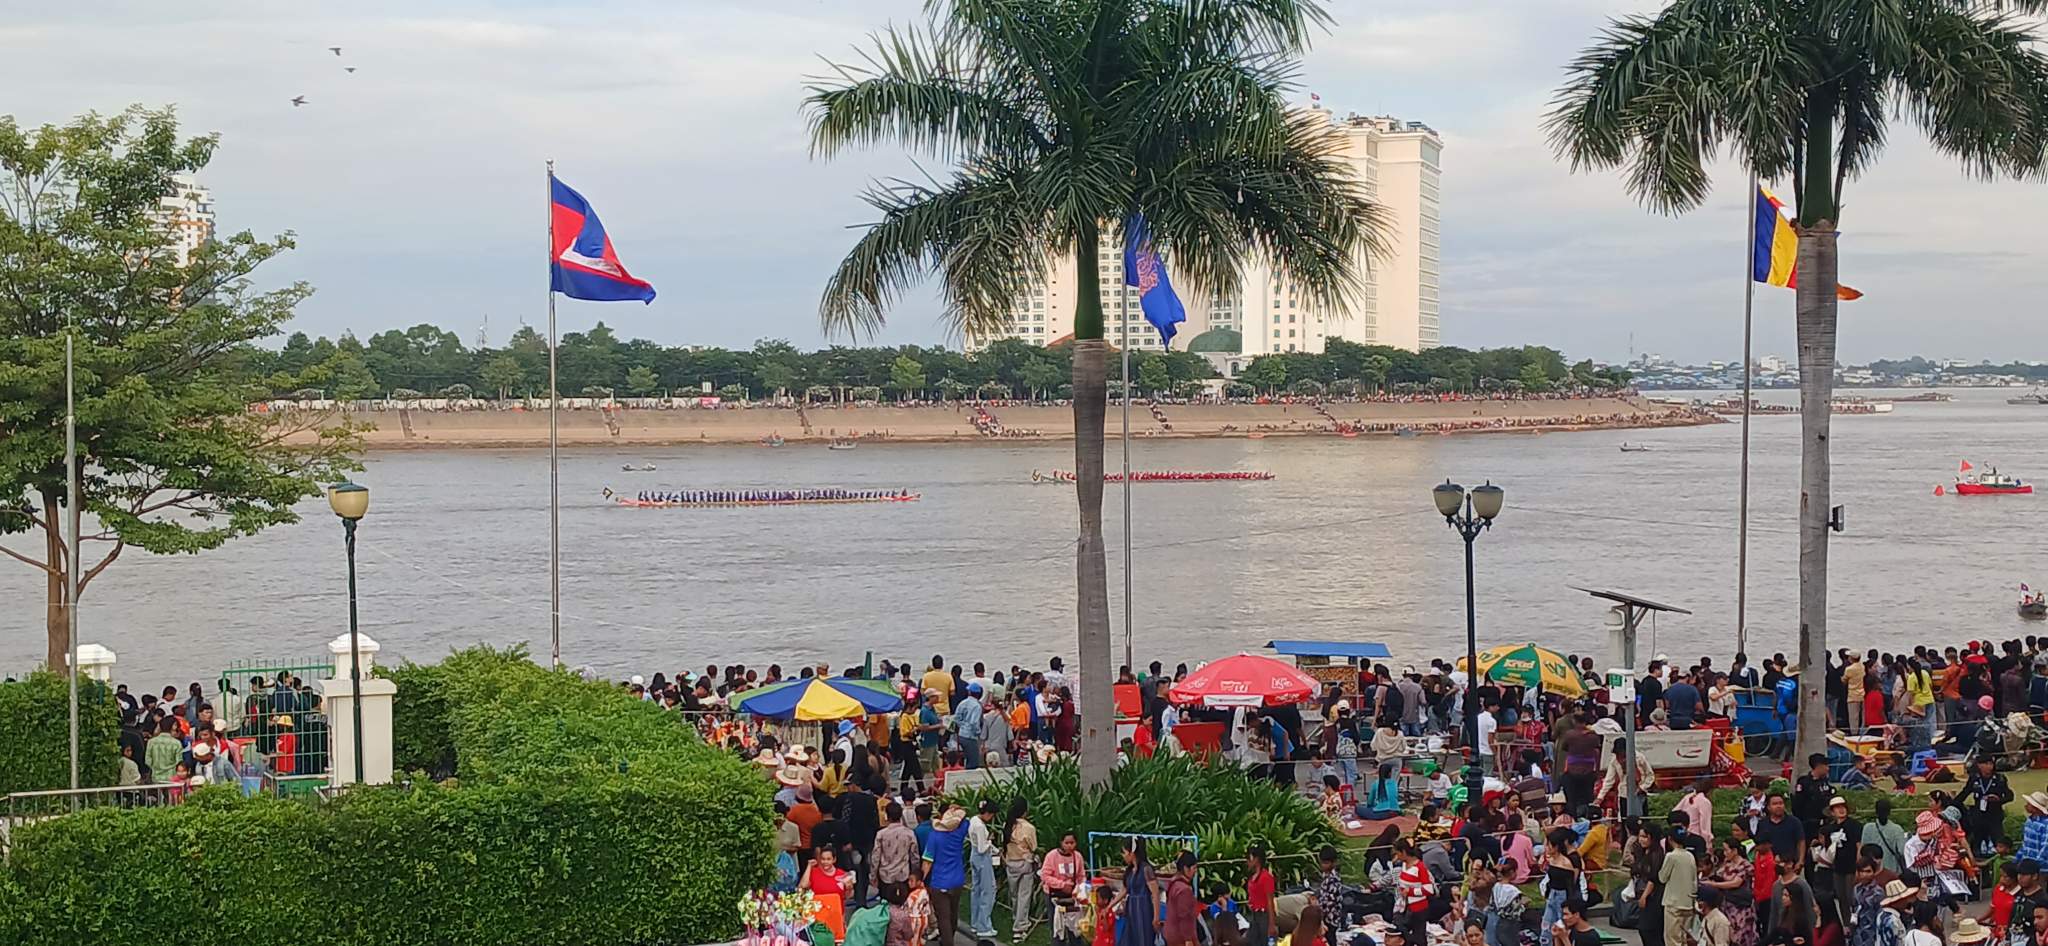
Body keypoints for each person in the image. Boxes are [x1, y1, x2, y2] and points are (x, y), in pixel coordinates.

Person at [923, 805, 971, 946]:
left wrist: (921, 880)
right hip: (957, 880)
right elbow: (966, 819)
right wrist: (957, 811)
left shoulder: (934, 835)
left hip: (939, 882)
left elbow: (928, 861)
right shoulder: (959, 832)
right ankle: (950, 937)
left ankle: (947, 942)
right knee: (953, 913)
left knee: (943, 918)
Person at [1703, 835, 1758, 946]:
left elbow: (1735, 883)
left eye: (1726, 850)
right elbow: (1717, 875)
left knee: (1741, 936)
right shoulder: (1727, 864)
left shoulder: (1745, 865)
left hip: (1740, 906)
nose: (1724, 853)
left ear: (1734, 851)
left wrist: (1714, 884)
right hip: (1727, 904)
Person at [1960, 755, 2014, 856]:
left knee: (1998, 842)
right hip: (1978, 816)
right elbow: (1964, 793)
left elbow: (2010, 796)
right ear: (1979, 765)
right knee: (1976, 844)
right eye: (1986, 764)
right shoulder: (1974, 778)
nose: (1989, 766)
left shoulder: (2000, 779)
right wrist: (1953, 804)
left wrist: (1999, 800)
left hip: (1994, 816)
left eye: (1991, 764)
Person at [1002, 798, 1038, 943]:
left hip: (1010, 862)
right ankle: (1020, 927)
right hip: (1025, 862)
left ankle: (1016, 918)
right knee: (1024, 894)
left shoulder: (1007, 824)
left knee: (1014, 894)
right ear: (1024, 811)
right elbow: (1033, 846)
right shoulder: (1029, 828)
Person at [1113, 840, 1161, 946]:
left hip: (1144, 909)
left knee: (1143, 938)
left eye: (1124, 852)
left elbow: (1155, 893)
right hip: (1132, 910)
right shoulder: (1130, 871)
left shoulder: (1146, 869)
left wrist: (1156, 917)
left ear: (1132, 852)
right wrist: (1109, 906)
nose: (1123, 856)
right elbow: (1125, 890)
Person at [801, 846, 853, 944]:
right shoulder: (814, 872)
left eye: (828, 859)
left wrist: (849, 888)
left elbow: (848, 896)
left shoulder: (842, 875)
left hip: (836, 918)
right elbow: (802, 886)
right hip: (818, 920)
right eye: (823, 859)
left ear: (834, 859)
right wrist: (809, 866)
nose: (825, 862)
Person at [1660, 823, 1700, 946]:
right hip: (1688, 902)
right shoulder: (1690, 856)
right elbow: (1694, 878)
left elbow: (1662, 877)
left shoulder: (1671, 856)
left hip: (1673, 903)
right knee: (1683, 938)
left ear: (1670, 839)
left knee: (1672, 939)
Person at [967, 799, 1000, 943]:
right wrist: (990, 841)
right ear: (987, 813)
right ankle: (984, 926)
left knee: (977, 890)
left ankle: (975, 922)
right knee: (988, 890)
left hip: (974, 857)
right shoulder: (980, 827)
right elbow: (982, 848)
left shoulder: (973, 820)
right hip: (982, 858)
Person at [874, 801, 917, 902]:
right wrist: (915, 873)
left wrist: (873, 875)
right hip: (903, 874)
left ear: (887, 816)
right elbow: (914, 856)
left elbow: (875, 856)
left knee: (886, 905)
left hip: (885, 876)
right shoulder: (909, 833)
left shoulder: (881, 834)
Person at [1162, 851, 1200, 946]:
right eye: (1194, 868)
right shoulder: (1184, 890)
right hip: (1180, 936)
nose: (1195, 871)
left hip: (1170, 932)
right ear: (1185, 868)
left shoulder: (1173, 883)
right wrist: (1188, 939)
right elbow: (1184, 916)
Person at [1862, 798, 1908, 876]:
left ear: (1876, 811)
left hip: (1872, 871)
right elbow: (1902, 851)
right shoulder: (1897, 829)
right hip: (1892, 870)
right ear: (1889, 812)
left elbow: (1863, 850)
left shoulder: (1868, 828)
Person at [1245, 846, 1276, 946]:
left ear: (1256, 859)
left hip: (1264, 916)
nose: (1247, 862)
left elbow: (1270, 901)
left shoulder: (1266, 877)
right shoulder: (1252, 878)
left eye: (1249, 859)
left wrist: (1272, 924)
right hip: (1254, 916)